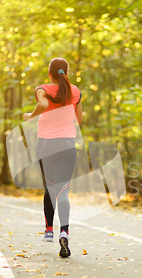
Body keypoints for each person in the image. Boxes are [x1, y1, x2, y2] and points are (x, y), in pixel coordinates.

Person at [23, 58, 83, 258]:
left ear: (49, 73)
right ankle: (64, 232)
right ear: (66, 72)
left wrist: (31, 115)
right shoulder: (75, 91)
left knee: (50, 187)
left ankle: (49, 229)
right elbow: (79, 120)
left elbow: (43, 103)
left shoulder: (43, 88)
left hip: (47, 145)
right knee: (63, 191)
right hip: (67, 145)